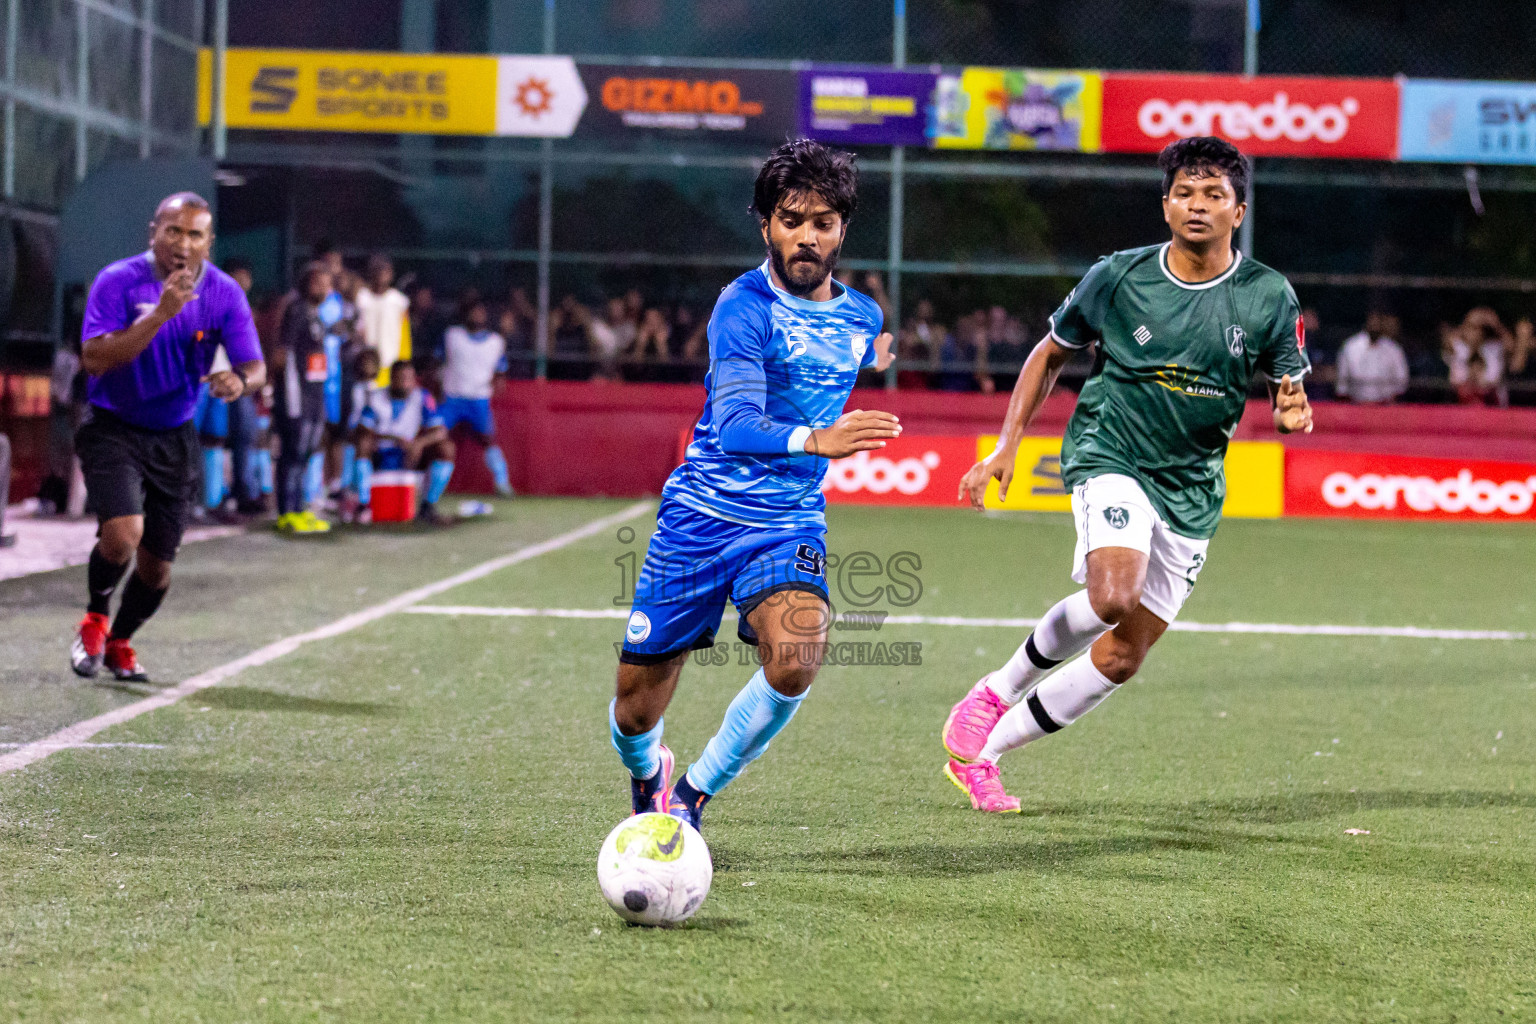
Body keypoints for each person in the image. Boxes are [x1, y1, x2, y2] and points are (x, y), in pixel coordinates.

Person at [941, 136, 1313, 812]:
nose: (1197, 205)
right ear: (1166, 204)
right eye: (1185, 193)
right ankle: (995, 688)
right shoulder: (1119, 277)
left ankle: (985, 756)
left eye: (1214, 195)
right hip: (1112, 453)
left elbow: (1288, 385)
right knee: (1114, 594)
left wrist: (1291, 408)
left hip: (1193, 487)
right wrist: (1005, 447)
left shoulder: (1267, 295)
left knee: (1122, 656)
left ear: (1239, 210)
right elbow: (1048, 355)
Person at [610, 139, 897, 834]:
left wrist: (879, 356)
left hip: (788, 520)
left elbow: (864, 350)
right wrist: (815, 439)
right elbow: (736, 423)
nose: (807, 236)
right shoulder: (742, 307)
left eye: (823, 222)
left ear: (842, 230)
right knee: (633, 710)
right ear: (766, 224)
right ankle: (650, 772)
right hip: (701, 518)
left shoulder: (863, 318)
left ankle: (692, 799)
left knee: (797, 656)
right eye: (792, 219)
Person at [70, 192, 266, 681]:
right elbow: (94, 359)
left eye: (195, 234)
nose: (183, 243)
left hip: (174, 436)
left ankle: (120, 641)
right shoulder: (117, 281)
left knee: (156, 568)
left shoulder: (224, 293)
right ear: (152, 232)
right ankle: (95, 618)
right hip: (112, 425)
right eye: (173, 231)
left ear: (209, 243)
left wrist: (239, 381)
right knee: (122, 536)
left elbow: (256, 367)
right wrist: (160, 313)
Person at [271, 263, 335, 535]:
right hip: (296, 396)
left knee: (306, 452)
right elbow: (282, 354)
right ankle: (286, 512)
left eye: (326, 283)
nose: (323, 288)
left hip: (314, 394)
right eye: (317, 282)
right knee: (292, 452)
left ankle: (299, 508)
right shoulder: (296, 310)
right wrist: (285, 392)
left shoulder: (317, 316)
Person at [354, 361, 456, 525]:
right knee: (363, 443)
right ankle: (364, 504)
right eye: (400, 378)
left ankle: (427, 505)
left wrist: (419, 443)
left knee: (446, 448)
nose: (405, 383)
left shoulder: (422, 397)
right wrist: (393, 439)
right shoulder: (376, 397)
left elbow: (440, 431)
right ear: (391, 379)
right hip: (381, 452)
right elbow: (362, 430)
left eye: (409, 379)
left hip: (409, 453)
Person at [440, 297, 514, 496]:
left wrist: (498, 381)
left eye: (480, 312)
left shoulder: (496, 342)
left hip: (479, 399)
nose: (477, 315)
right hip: (452, 397)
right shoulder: (452, 335)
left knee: (488, 439)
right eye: (473, 311)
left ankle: (502, 482)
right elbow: (437, 361)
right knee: (435, 436)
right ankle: (426, 482)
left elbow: (501, 369)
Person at [355, 254, 411, 385]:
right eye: (377, 269)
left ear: (391, 273)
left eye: (385, 269)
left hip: (390, 365)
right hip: (366, 366)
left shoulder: (399, 301)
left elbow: (405, 336)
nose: (381, 273)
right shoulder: (361, 298)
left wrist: (404, 364)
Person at [1334, 311, 1409, 404]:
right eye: (1372, 321)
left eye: (1378, 321)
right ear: (1366, 322)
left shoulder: (1394, 349)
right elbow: (1342, 382)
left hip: (1385, 406)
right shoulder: (1351, 346)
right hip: (1356, 404)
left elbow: (1402, 380)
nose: (1375, 325)